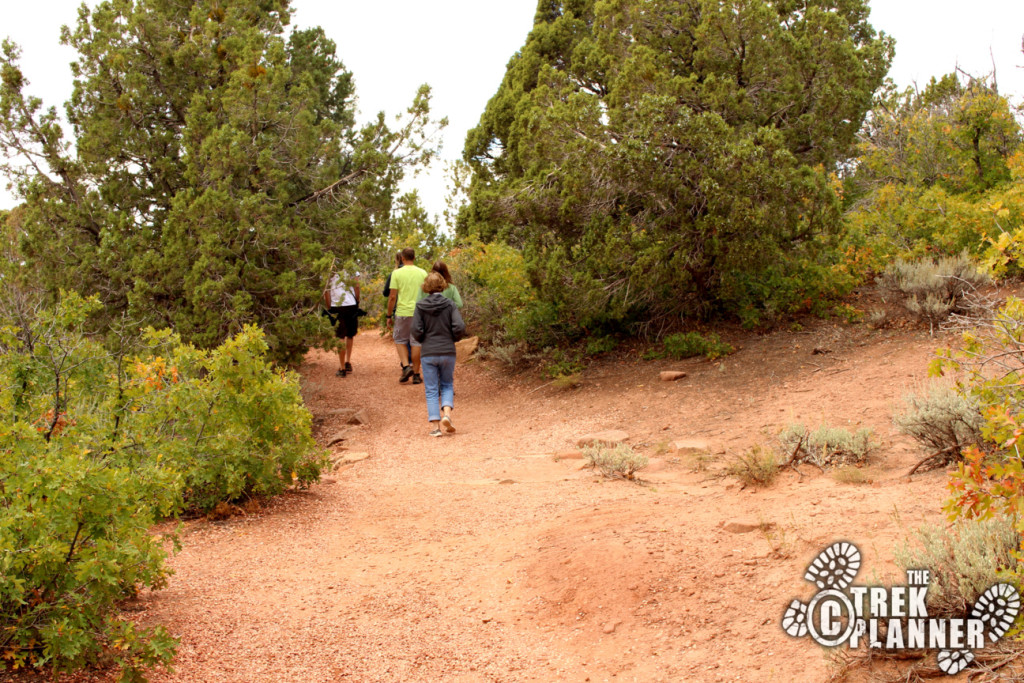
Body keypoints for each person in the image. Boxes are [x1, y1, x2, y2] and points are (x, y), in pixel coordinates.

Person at [412, 272, 465, 436]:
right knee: (447, 384)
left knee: (431, 389)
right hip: (447, 350)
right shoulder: (450, 304)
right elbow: (459, 326)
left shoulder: (420, 306)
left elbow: (415, 330)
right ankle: (447, 415)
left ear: (426, 287)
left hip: (428, 352)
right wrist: (453, 339)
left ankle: (435, 427)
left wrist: (423, 339)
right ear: (442, 285)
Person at [386, 248, 428, 384]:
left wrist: (388, 315)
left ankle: (405, 366)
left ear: (402, 258)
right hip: (419, 312)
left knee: (399, 339)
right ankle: (416, 374)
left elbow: (392, 296)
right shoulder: (423, 273)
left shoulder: (396, 273)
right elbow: (427, 294)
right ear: (414, 258)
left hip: (403, 312)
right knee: (416, 342)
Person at [324, 272, 360, 377]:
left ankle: (342, 368)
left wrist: (329, 307)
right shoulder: (352, 267)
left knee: (340, 335)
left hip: (336, 305)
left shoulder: (327, 268)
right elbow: (356, 286)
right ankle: (348, 362)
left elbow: (326, 291)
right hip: (351, 305)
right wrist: (357, 300)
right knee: (350, 334)